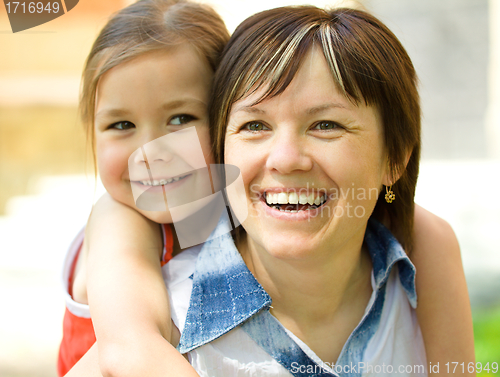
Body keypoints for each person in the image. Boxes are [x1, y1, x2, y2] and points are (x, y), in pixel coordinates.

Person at [67, 4, 475, 377]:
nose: (151, 152)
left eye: (326, 125)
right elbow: (128, 349)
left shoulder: (417, 254)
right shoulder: (124, 233)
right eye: (255, 125)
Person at [57, 0, 229, 376]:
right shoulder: (118, 220)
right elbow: (131, 347)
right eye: (121, 125)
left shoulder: (233, 208)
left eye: (180, 119)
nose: (149, 152)